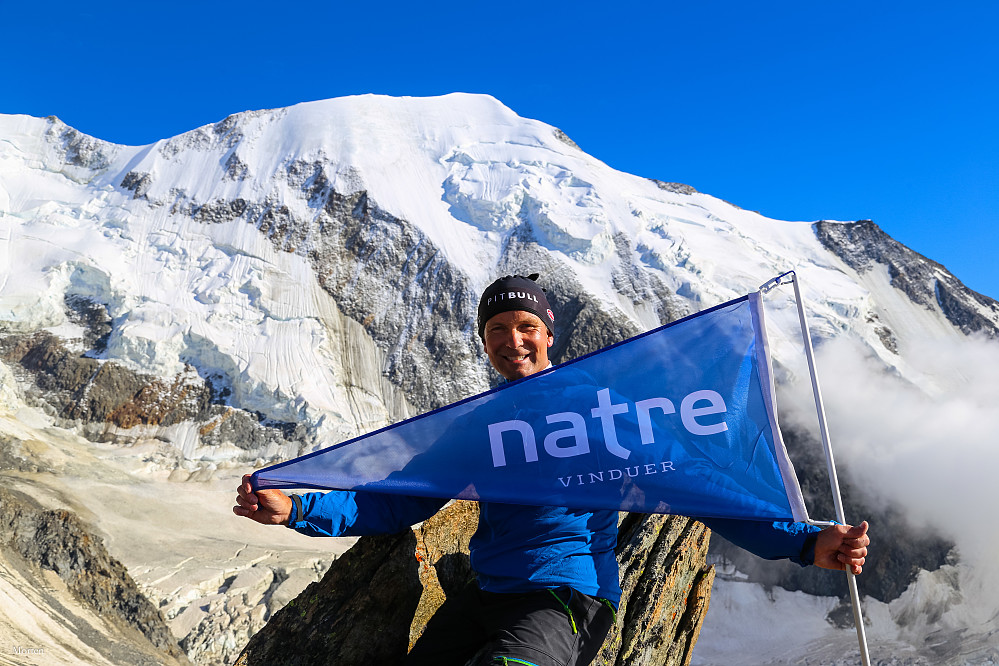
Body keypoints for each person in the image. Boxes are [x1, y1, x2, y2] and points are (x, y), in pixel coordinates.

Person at [234, 274, 871, 666]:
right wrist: (299, 507)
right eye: (499, 329)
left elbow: (695, 487)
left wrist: (806, 542)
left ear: (549, 334)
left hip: (565, 599)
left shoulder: (599, 410)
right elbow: (399, 500)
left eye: (526, 326)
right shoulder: (481, 425)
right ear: (484, 342)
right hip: (486, 597)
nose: (514, 339)